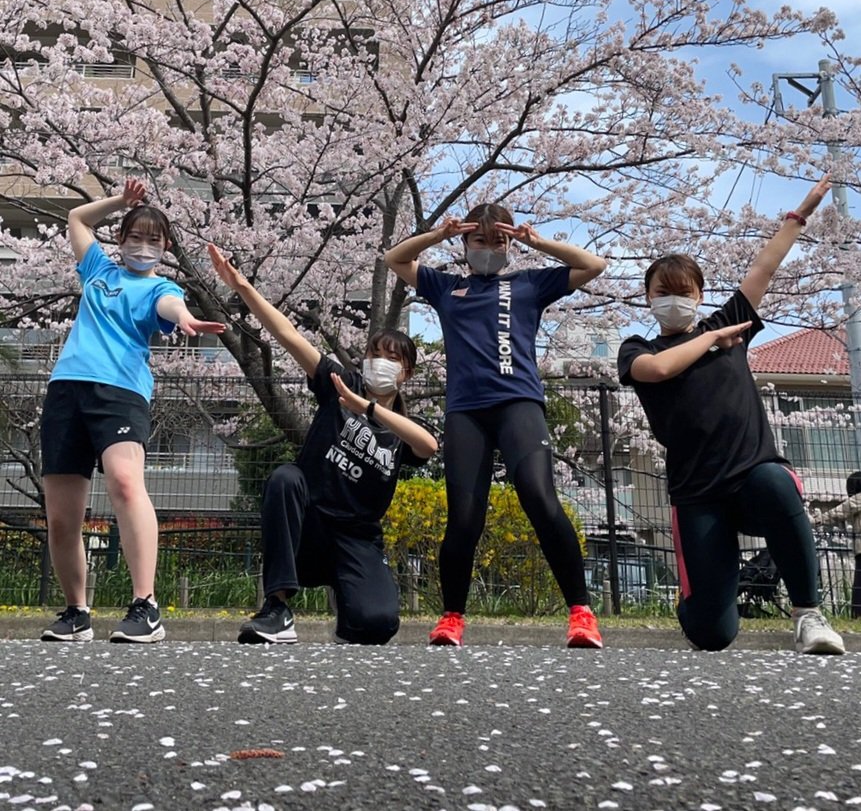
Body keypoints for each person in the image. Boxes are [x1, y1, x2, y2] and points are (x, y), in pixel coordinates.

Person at [617, 173, 845, 655]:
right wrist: (709, 340)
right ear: (648, 298)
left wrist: (799, 214)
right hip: (697, 492)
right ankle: (702, 598)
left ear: (700, 296)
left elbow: (765, 265)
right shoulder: (638, 347)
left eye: (682, 291)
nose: (672, 299)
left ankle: (808, 614)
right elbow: (658, 369)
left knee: (778, 483)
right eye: (662, 291)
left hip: (751, 477)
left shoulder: (730, 325)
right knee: (712, 635)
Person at [384, 202, 608, 649]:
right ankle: (451, 618)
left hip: (519, 404)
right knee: (464, 517)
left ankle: (581, 614)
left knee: (541, 500)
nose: (490, 249)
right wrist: (438, 234)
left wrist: (535, 242)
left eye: (498, 241)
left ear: (510, 244)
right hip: (466, 411)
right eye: (480, 240)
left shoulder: (529, 283)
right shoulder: (447, 287)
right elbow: (395, 259)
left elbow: (594, 265)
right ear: (466, 244)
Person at [208, 243, 437, 645]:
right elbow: (287, 334)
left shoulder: (401, 428)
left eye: (392, 358)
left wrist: (368, 409)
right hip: (308, 524)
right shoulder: (338, 383)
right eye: (375, 353)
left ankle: (351, 611)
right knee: (284, 478)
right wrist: (243, 285)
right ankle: (277, 608)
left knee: (377, 625)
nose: (380, 361)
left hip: (357, 537)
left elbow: (429, 447)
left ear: (406, 373)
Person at [40, 178, 226, 644]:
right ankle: (76, 612)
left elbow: (170, 304)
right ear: (120, 240)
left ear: (164, 249)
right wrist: (121, 202)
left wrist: (183, 318)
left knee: (125, 481)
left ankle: (146, 605)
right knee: (62, 515)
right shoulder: (98, 269)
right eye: (135, 236)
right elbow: (77, 219)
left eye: (154, 240)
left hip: (121, 392)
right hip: (66, 389)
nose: (144, 246)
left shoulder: (161, 286)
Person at [814, 471, 861, 618]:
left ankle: (857, 615)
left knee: (859, 587)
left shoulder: (858, 499)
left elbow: (838, 513)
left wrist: (815, 521)